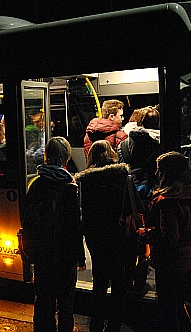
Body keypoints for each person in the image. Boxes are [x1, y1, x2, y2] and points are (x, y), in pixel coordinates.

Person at [75, 140, 139, 332]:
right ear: (111, 154)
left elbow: (84, 214)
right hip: (119, 236)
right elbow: (134, 207)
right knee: (119, 281)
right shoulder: (123, 177)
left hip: (97, 238)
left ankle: (96, 323)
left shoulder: (85, 181)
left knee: (99, 280)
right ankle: (114, 324)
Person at [24, 136, 85, 332]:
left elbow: (27, 220)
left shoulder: (36, 184)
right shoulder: (70, 187)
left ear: (46, 156)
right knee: (66, 305)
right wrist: (80, 256)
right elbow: (75, 227)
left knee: (43, 301)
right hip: (66, 256)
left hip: (43, 254)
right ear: (66, 158)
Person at [137, 151, 191, 332]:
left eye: (159, 170)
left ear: (168, 173)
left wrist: (144, 234)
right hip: (186, 257)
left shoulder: (167, 201)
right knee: (179, 305)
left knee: (168, 308)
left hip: (169, 262)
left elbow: (169, 237)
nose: (156, 174)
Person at [118, 106, 161, 209]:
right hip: (154, 191)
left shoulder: (123, 144)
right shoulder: (160, 144)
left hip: (131, 191)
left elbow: (121, 167)